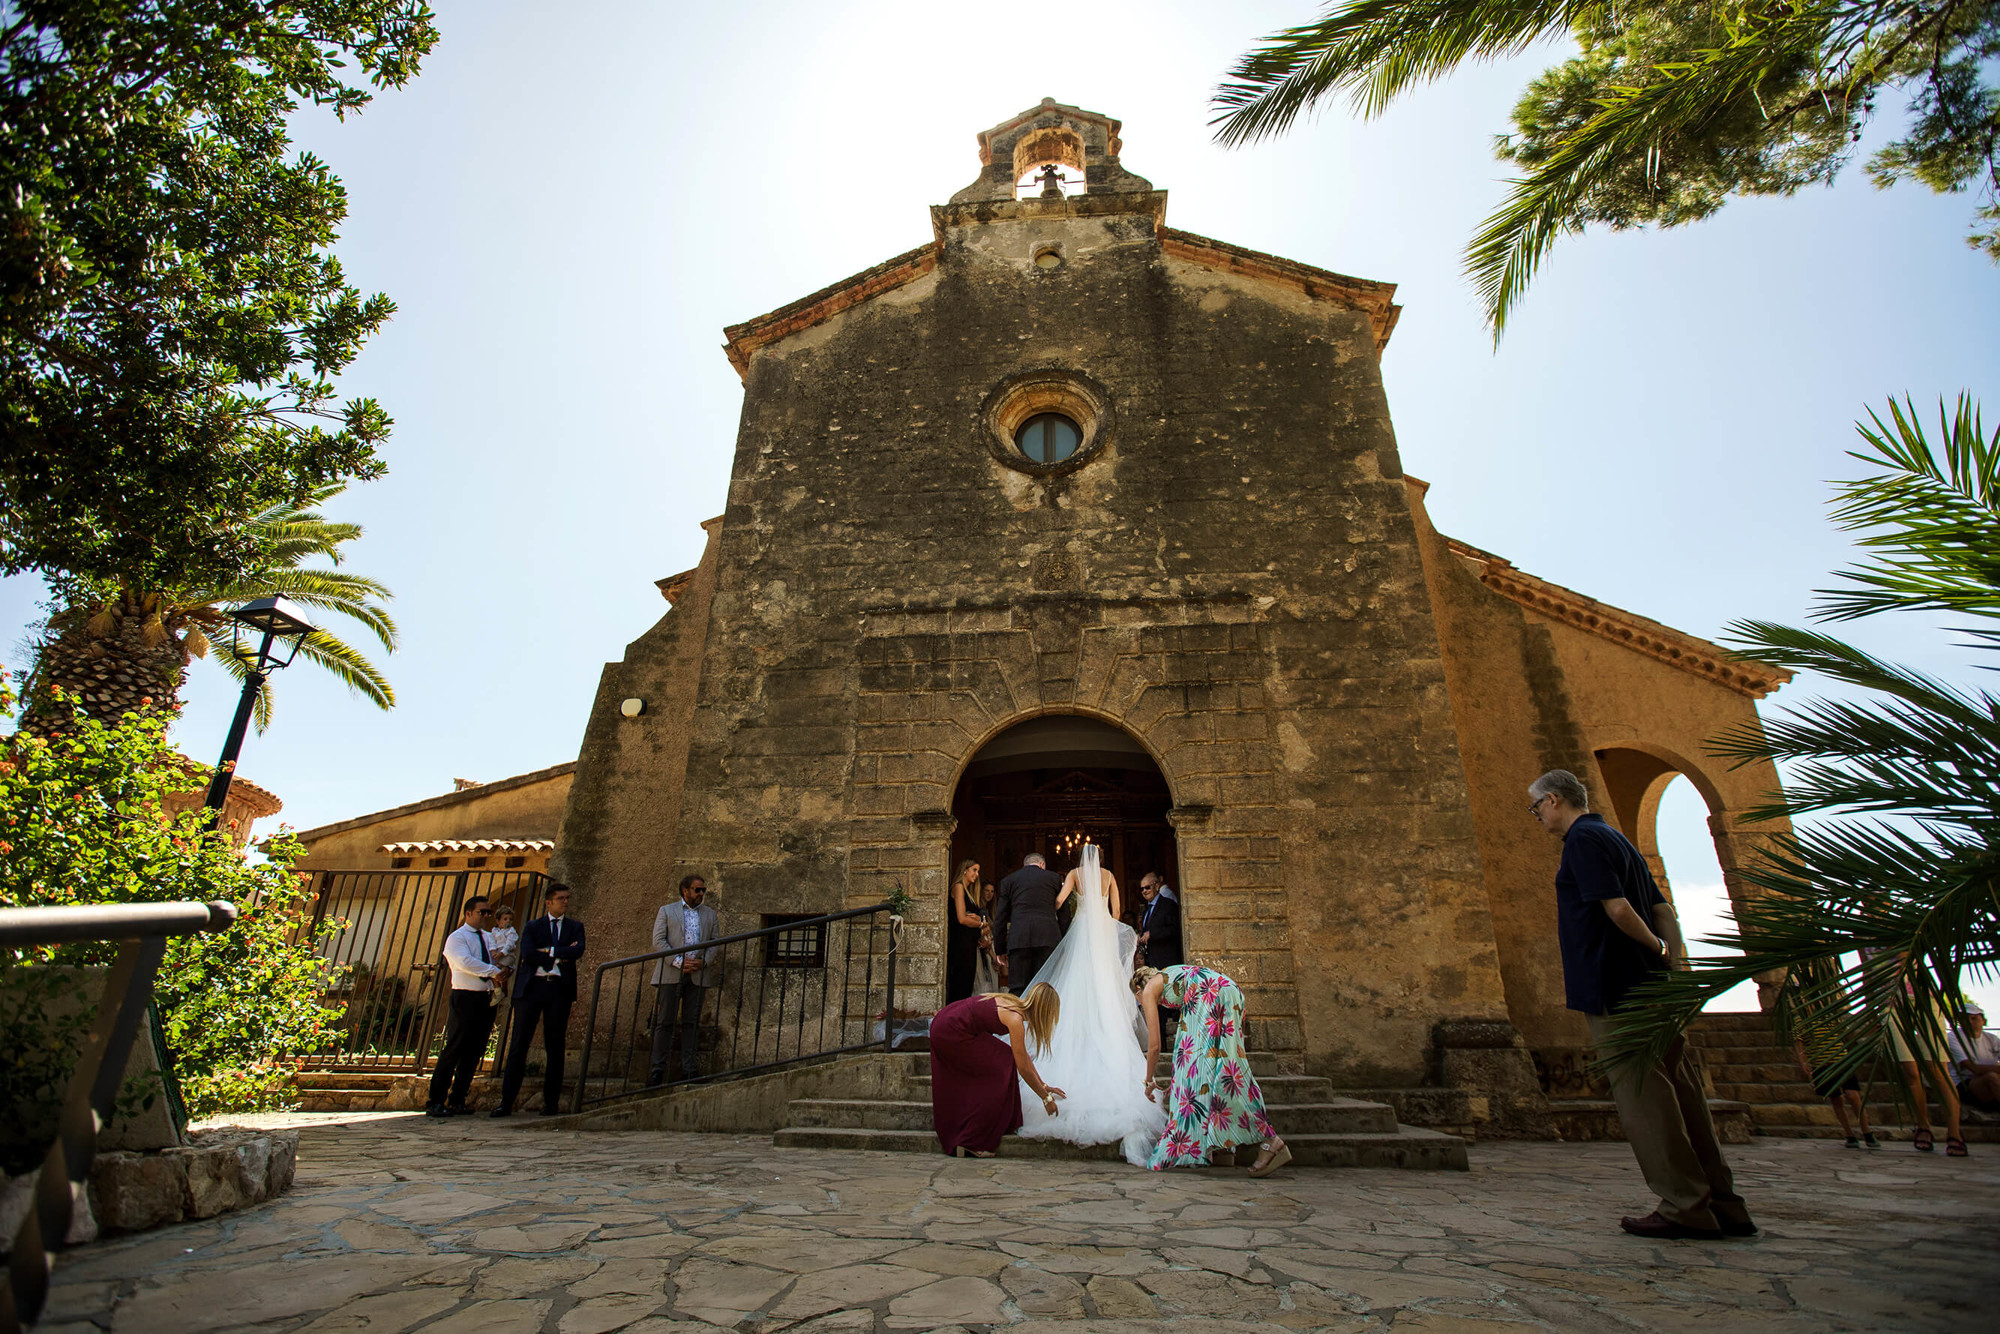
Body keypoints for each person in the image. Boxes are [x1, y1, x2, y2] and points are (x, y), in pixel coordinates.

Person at [1530, 768, 1756, 1240]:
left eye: (1536, 809)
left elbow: (1616, 909)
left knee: (1646, 1101)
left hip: (1616, 986)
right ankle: (1723, 1201)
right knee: (1684, 1091)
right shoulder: (1618, 840)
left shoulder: (1583, 841)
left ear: (1554, 800)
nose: (1538, 818)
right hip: (1653, 988)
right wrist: (1674, 968)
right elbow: (1662, 909)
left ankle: (1684, 1205)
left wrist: (1655, 949)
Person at [1013, 845, 1167, 1165]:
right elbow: (1116, 911)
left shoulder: (1073, 874)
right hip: (1101, 933)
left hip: (1082, 930)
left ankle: (1077, 1031)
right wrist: (1107, 931)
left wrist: (1052, 910)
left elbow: (1057, 902)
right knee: (1105, 986)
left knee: (1075, 981)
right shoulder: (1110, 876)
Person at [1132, 963, 1287, 1175]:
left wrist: (1149, 1080)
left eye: (1137, 1000)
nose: (1140, 1005)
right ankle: (1222, 1146)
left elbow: (1155, 1045)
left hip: (1211, 996)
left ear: (1138, 990)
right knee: (1222, 1071)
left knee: (1197, 1076)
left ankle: (1269, 1140)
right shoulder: (1169, 975)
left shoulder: (1149, 989)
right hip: (1228, 991)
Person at [929, 982, 1065, 1157]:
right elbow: (1022, 1066)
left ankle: (1000, 1123)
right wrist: (1045, 1099)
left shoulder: (1013, 1003)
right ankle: (970, 1140)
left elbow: (1022, 1059)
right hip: (950, 1030)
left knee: (1005, 1058)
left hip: (948, 1022)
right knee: (1000, 1070)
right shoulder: (1015, 1019)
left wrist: (1044, 1086)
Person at [492, 884, 586, 1117]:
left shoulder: (575, 927)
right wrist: (559, 953)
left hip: (558, 991)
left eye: (567, 898)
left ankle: (551, 1103)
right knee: (519, 1045)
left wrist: (548, 952)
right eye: (560, 898)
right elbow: (528, 952)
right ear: (548, 902)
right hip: (531, 990)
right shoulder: (534, 926)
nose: (565, 902)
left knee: (555, 1046)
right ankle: (507, 1101)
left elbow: (578, 951)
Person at [426, 895, 506, 1117]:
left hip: (485, 996)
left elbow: (498, 957)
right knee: (455, 1047)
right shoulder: (457, 938)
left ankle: (458, 1099)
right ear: (468, 913)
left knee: (475, 1050)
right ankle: (436, 1100)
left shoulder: (490, 937)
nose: (486, 916)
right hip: (464, 996)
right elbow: (464, 961)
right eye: (482, 912)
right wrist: (492, 971)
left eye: (489, 913)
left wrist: (501, 967)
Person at [1785, 972, 1876, 1150]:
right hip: (1821, 1063)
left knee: (1853, 1096)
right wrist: (1803, 1062)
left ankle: (1867, 1131)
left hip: (1841, 1060)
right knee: (1837, 1099)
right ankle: (1849, 1133)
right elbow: (1799, 1043)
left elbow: (1848, 1034)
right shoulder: (1800, 1021)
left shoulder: (1829, 1014)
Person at [649, 873, 721, 1084]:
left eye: (703, 890)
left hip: (697, 975)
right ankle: (657, 1069)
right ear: (685, 891)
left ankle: (689, 1068)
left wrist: (704, 962)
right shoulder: (667, 911)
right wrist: (679, 962)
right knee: (665, 1021)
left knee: (691, 1023)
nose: (701, 894)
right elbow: (659, 941)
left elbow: (715, 942)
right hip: (671, 973)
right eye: (697, 890)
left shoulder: (710, 914)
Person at [993, 852, 1063, 994]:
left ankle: (1018, 1016)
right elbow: (1064, 914)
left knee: (1018, 988)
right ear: (1042, 864)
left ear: (1024, 865)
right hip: (1047, 938)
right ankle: (1042, 1016)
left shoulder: (1009, 881)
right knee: (1044, 988)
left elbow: (1000, 917)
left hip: (1019, 939)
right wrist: (1061, 941)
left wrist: (1000, 949)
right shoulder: (1054, 879)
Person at [1948, 1002, 2000, 1115]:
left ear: (1983, 1021)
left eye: (1973, 1018)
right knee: (1992, 1077)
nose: (1969, 1022)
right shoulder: (1953, 1037)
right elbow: (1973, 1068)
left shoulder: (1992, 1039)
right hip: (1964, 1084)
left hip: (1986, 1082)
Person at [945, 859, 984, 1004]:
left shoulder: (970, 893)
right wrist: (980, 923)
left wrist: (978, 921)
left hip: (970, 944)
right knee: (961, 984)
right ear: (965, 870)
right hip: (961, 945)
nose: (977, 874)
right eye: (974, 870)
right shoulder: (958, 887)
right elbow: (962, 918)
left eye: (978, 871)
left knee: (967, 984)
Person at [1137, 873, 1182, 970]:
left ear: (1156, 886)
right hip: (1150, 963)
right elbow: (1147, 931)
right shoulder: (1146, 910)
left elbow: (1175, 929)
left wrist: (1152, 934)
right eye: (1142, 889)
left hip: (1166, 962)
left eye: (1147, 887)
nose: (1144, 891)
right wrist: (1140, 935)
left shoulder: (1168, 904)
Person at [972, 881, 1001, 994]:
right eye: (987, 891)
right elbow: (982, 938)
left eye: (992, 891)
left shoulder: (989, 910)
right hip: (983, 950)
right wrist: (993, 956)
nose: (989, 894)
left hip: (988, 948)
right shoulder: (979, 909)